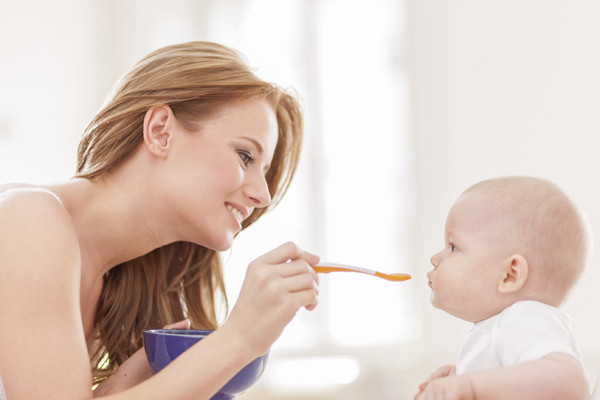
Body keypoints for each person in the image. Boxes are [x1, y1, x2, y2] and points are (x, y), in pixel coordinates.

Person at [0, 41, 320, 400]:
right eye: (245, 156)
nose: (263, 195)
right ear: (160, 132)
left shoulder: (112, 287)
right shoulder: (29, 221)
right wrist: (240, 338)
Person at [416, 176, 590, 400]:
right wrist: (466, 375)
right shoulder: (502, 327)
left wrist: (471, 386)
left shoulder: (525, 318)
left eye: (453, 247)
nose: (435, 258)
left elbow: (568, 381)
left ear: (510, 275)